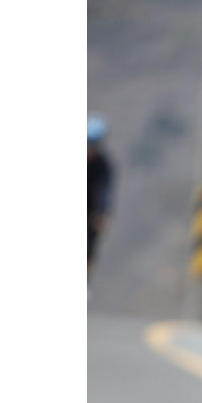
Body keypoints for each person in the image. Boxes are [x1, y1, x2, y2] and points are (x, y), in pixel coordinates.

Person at [87, 114, 114, 285]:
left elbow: (104, 192)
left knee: (88, 247)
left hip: (90, 213)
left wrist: (102, 215)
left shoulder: (103, 165)